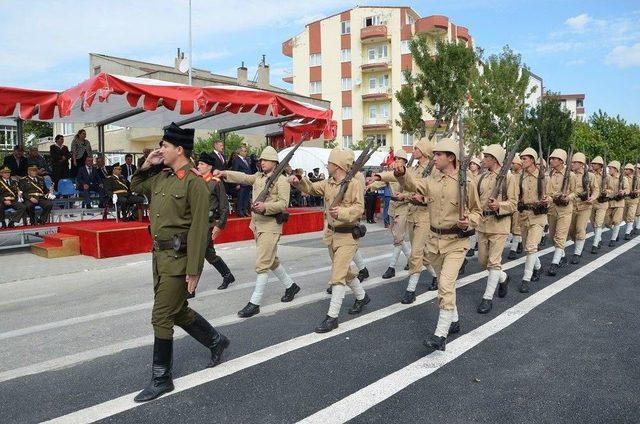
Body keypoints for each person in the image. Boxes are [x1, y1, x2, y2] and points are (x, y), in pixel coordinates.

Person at [130, 122, 230, 403]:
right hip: (159, 258)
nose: (160, 149)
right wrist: (147, 163)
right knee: (176, 311)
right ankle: (215, 340)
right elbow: (135, 186)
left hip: (179, 259)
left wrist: (194, 270)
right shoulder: (161, 177)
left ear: (179, 149)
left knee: (161, 315)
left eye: (164, 145)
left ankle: (162, 378)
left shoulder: (194, 182)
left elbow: (199, 229)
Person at [394, 138, 481, 351]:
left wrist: (468, 220)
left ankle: (440, 335)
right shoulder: (432, 180)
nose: (434, 158)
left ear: (450, 157)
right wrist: (401, 173)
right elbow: (414, 184)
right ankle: (454, 320)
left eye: (438, 155)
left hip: (456, 242)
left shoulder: (466, 182)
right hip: (435, 242)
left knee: (445, 285)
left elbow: (477, 211)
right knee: (445, 284)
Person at [213, 146, 300, 318]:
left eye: (265, 160)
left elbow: (284, 204)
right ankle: (291, 286)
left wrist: (266, 206)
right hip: (258, 225)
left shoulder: (282, 181)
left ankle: (255, 302)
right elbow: (244, 177)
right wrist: (224, 173)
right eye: (261, 160)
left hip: (271, 226)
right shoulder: (259, 177)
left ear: (275, 163)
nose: (262, 162)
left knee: (262, 264)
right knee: (271, 260)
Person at [288, 147, 368, 333]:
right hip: (332, 234)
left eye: (330, 163)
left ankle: (332, 317)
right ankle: (362, 297)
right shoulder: (329, 183)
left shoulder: (354, 183)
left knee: (337, 275)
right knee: (345, 271)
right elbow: (312, 188)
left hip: (348, 234)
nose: (327, 165)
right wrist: (299, 180)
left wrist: (343, 212)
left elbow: (359, 208)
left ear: (338, 165)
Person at [474, 144, 517, 314]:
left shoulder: (509, 177)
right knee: (483, 261)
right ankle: (503, 278)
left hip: (499, 224)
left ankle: (487, 298)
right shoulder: (481, 177)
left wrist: (499, 204)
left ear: (495, 159)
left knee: (493, 262)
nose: (483, 159)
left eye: (486, 157)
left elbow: (513, 203)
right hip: (483, 223)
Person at [367, 149, 411, 279]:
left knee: (398, 238)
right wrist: (370, 186)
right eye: (396, 158)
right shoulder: (392, 174)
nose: (396, 161)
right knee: (397, 237)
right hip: (392, 207)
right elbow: (382, 181)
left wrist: (405, 196)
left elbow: (414, 190)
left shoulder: (408, 174)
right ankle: (411, 260)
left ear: (404, 162)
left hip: (403, 207)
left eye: (399, 159)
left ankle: (391, 267)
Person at [196, 152, 235, 290]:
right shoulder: (197, 182)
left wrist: (220, 225)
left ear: (209, 166)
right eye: (198, 163)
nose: (198, 166)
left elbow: (224, 206)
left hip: (209, 223)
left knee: (197, 253)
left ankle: (190, 288)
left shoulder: (216, 183)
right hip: (197, 224)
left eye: (201, 164)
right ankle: (227, 275)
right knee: (209, 255)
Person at [517, 147, 550, 294]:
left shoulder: (543, 177)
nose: (521, 161)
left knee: (531, 247)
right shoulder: (519, 176)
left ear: (532, 160)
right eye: (521, 158)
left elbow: (551, 196)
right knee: (527, 248)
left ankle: (526, 279)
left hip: (538, 216)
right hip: (524, 215)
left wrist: (546, 200)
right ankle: (537, 267)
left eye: (524, 159)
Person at [545, 148, 577, 276]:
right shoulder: (549, 174)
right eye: (551, 158)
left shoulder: (571, 175)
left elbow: (575, 192)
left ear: (561, 161)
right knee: (552, 237)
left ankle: (554, 263)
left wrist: (568, 197)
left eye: (554, 159)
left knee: (560, 236)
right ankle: (562, 255)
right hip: (552, 209)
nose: (551, 160)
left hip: (565, 209)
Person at [567, 153, 599, 264]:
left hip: (585, 206)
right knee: (571, 230)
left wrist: (592, 198)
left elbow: (596, 190)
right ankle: (579, 244)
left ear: (581, 164)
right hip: (571, 206)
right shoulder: (569, 175)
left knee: (580, 228)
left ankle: (577, 253)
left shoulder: (590, 176)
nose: (572, 164)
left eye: (574, 162)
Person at [603, 161, 628, 247]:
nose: (609, 170)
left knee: (617, 221)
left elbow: (627, 189)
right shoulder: (608, 178)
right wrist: (606, 191)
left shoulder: (623, 179)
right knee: (606, 221)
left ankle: (613, 239)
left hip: (619, 203)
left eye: (610, 168)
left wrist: (623, 191)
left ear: (615, 169)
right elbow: (605, 187)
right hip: (609, 202)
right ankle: (615, 232)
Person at [589, 156, 608, 253]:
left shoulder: (606, 176)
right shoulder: (590, 174)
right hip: (592, 202)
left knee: (598, 223)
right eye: (592, 163)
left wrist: (606, 192)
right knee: (593, 223)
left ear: (600, 165)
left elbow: (612, 189)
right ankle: (599, 238)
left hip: (602, 202)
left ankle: (595, 244)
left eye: (595, 164)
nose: (592, 165)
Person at [507, 154, 523, 259]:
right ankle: (520, 241)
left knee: (517, 226)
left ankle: (513, 249)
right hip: (510, 204)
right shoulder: (509, 175)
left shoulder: (523, 175)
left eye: (513, 163)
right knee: (510, 227)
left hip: (519, 205)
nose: (511, 165)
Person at [232, 145, 252, 217]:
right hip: (241, 183)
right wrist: (237, 184)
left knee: (246, 197)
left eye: (246, 151)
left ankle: (244, 210)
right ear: (240, 151)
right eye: (245, 151)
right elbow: (235, 172)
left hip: (247, 182)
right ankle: (240, 211)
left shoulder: (246, 160)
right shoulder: (236, 160)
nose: (246, 153)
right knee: (240, 197)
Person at [623, 163, 639, 240]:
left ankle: (627, 232)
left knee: (631, 216)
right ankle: (630, 228)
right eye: (625, 169)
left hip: (633, 199)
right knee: (624, 217)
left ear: (631, 170)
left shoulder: (637, 178)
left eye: (627, 169)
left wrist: (637, 191)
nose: (625, 170)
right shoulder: (623, 178)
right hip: (625, 199)